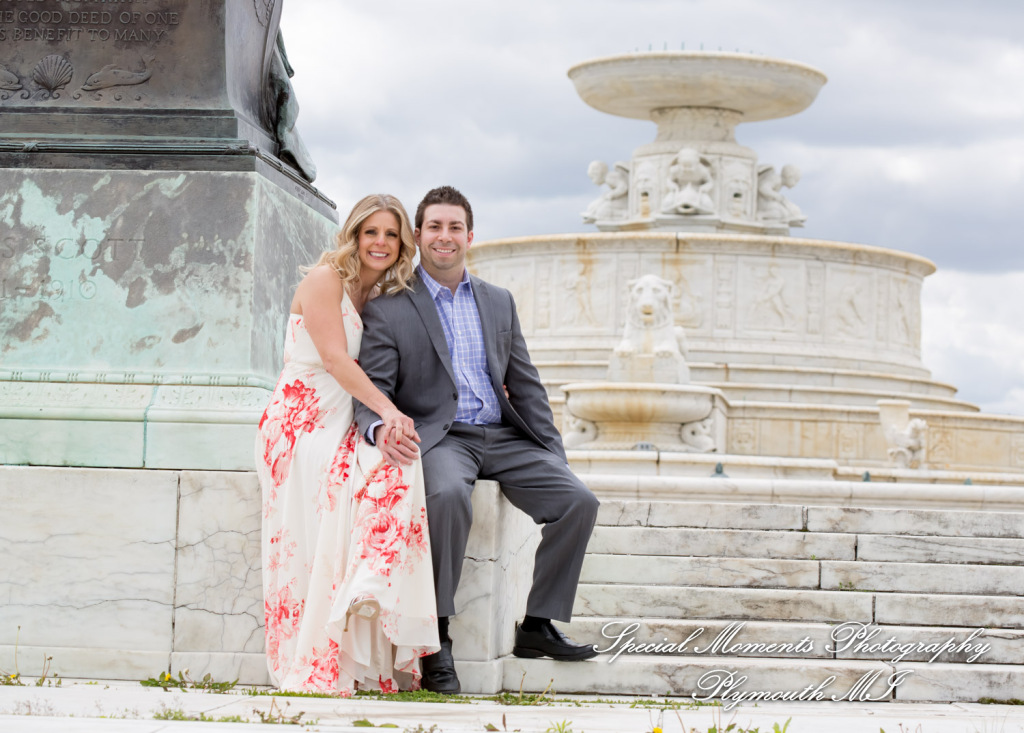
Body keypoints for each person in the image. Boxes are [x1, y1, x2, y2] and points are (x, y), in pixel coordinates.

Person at [354, 185, 601, 695]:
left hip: (504, 435)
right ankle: (437, 640)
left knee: (578, 500)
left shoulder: (498, 301)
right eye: (435, 227)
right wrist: (381, 428)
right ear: (418, 236)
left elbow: (526, 384)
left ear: (470, 235)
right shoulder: (391, 306)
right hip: (443, 438)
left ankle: (537, 626)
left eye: (455, 227)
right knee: (445, 497)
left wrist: (553, 455)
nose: (446, 237)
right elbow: (373, 387)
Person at [256, 194, 438, 695]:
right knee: (333, 498)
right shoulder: (324, 280)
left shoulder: (381, 292)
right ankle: (316, 648)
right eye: (371, 232)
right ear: (354, 235)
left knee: (401, 459)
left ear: (402, 244)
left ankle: (369, 588)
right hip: (300, 418)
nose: (380, 242)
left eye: (391, 235)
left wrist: (394, 419)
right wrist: (389, 411)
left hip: (346, 415)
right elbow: (336, 362)